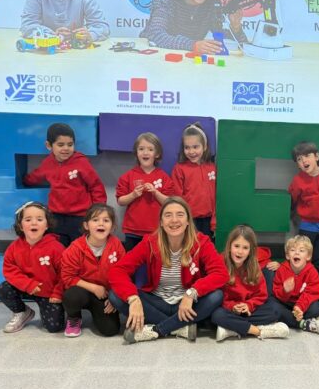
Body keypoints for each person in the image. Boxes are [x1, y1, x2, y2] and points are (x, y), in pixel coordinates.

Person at [108, 197, 227, 344]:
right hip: (156, 303)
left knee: (216, 296)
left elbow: (221, 273)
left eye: (180, 214)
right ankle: (179, 327)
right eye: (168, 215)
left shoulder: (201, 242)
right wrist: (133, 299)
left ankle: (158, 329)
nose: (174, 220)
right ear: (161, 222)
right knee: (115, 295)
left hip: (186, 304)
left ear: (188, 221)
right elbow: (118, 270)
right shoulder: (150, 242)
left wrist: (191, 293)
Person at [23, 123, 107, 247]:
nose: (66, 148)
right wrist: (26, 180)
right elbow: (36, 176)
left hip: (80, 217)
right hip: (56, 217)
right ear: (49, 145)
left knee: (79, 249)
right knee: (58, 248)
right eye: (60, 145)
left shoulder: (81, 163)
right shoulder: (48, 163)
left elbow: (96, 186)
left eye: (70, 144)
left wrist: (98, 210)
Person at [139, 0, 247, 54]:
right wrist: (193, 45)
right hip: (151, 55)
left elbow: (226, 40)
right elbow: (155, 35)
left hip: (186, 61)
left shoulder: (212, 5)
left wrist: (235, 27)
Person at [211, 225, 289, 341]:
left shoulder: (254, 266)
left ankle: (232, 328)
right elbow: (217, 294)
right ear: (229, 246)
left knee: (275, 310)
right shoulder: (220, 263)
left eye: (245, 248)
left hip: (247, 310)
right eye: (236, 246)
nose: (240, 251)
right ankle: (258, 331)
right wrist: (232, 306)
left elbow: (261, 295)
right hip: (228, 309)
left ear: (250, 250)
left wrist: (248, 305)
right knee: (216, 315)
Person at [0, 201, 65, 333]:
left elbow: (65, 273)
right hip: (25, 288)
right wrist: (28, 284)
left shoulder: (56, 248)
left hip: (49, 293)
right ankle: (22, 312)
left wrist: (57, 293)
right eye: (28, 220)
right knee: (3, 289)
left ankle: (59, 310)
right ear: (20, 226)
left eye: (39, 219)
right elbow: (9, 269)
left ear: (47, 225)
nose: (34, 223)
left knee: (54, 327)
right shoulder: (14, 247)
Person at [60, 204, 125, 338]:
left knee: (110, 330)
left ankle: (100, 311)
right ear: (86, 225)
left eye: (106, 220)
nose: (101, 223)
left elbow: (124, 273)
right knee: (71, 296)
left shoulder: (116, 245)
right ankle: (74, 317)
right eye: (95, 220)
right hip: (82, 290)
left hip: (104, 294)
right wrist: (94, 288)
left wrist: (115, 297)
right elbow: (67, 277)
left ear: (112, 227)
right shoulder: (75, 248)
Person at [116, 132, 177, 251]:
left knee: (155, 261)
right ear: (136, 152)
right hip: (133, 230)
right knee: (132, 260)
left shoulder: (164, 177)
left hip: (157, 230)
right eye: (141, 149)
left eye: (150, 149)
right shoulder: (127, 176)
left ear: (157, 154)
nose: (145, 153)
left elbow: (169, 202)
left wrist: (156, 192)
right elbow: (120, 201)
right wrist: (133, 195)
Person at [288, 141, 319, 282]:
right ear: (297, 164)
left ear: (316, 156)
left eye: (307, 156)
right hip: (307, 225)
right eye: (299, 159)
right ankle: (303, 288)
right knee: (304, 259)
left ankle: (318, 291)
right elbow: (293, 199)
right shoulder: (298, 180)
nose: (304, 161)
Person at [272, 235, 319, 335]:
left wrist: (299, 307)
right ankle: (302, 323)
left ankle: (289, 318)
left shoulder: (312, 272)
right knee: (272, 305)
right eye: (293, 250)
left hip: (303, 304)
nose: (297, 253)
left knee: (317, 308)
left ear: (308, 256)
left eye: (301, 250)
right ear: (288, 256)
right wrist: (285, 290)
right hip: (285, 303)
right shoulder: (281, 270)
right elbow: (276, 292)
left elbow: (312, 293)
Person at [171, 123, 216, 240]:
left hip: (209, 220)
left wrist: (214, 220)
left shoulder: (212, 167)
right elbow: (177, 197)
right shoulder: (179, 168)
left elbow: (217, 196)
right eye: (187, 147)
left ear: (204, 146)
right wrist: (182, 217)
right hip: (189, 219)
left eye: (195, 147)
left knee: (206, 247)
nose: (191, 151)